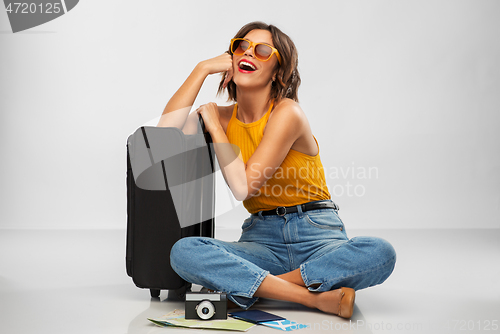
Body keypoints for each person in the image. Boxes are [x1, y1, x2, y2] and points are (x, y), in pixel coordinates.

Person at [163, 21, 396, 319]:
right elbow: (164, 136)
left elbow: (244, 187)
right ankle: (314, 298)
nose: (249, 54)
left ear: (278, 71)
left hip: (317, 235)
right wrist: (202, 69)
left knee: (379, 253)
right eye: (242, 46)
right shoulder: (220, 116)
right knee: (184, 252)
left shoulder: (287, 113)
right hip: (262, 241)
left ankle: (254, 289)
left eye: (263, 51)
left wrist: (215, 132)